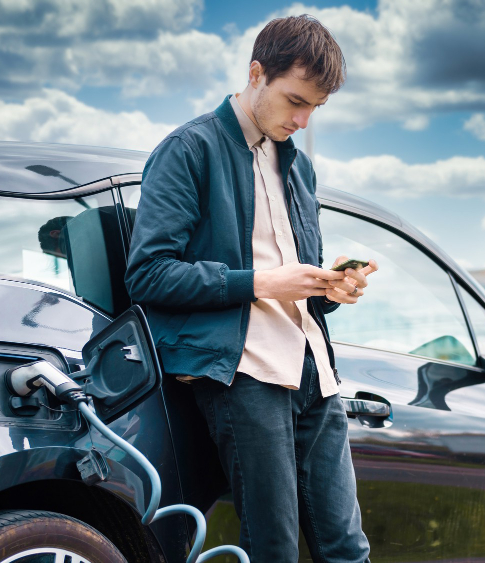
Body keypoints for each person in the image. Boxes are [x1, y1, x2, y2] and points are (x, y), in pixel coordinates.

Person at [125, 14, 375, 563]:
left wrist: (329, 288)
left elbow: (294, 281)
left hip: (314, 369)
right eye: (295, 101)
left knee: (348, 550)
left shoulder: (299, 168)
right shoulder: (188, 150)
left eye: (316, 108)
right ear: (256, 73)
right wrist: (264, 282)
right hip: (243, 373)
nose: (304, 119)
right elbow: (147, 274)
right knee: (273, 551)